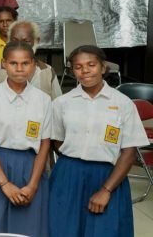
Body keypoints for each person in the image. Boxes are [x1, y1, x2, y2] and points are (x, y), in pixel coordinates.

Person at [48, 45, 147, 237]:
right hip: (68, 175)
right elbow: (57, 142)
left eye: (91, 65)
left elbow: (129, 151)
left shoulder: (122, 103)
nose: (85, 71)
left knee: (104, 230)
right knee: (62, 229)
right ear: (72, 71)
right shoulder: (62, 103)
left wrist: (106, 190)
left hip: (108, 176)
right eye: (78, 66)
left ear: (103, 67)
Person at [0, 41, 51, 237]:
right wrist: (4, 183)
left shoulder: (43, 100)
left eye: (25, 63)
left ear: (33, 65)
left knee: (29, 228)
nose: (19, 69)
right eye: (14, 63)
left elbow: (45, 144)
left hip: (30, 168)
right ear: (4, 64)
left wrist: (32, 185)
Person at [0, 20, 62, 98]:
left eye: (26, 41)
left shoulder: (48, 72)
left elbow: (56, 106)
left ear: (36, 41)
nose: (20, 46)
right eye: (15, 41)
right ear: (8, 41)